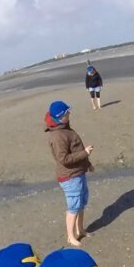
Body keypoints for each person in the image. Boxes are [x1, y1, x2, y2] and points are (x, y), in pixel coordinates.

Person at [44, 100, 94, 248]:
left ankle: (81, 229)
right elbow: (64, 159)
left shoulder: (65, 127)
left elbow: (75, 150)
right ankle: (70, 236)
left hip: (78, 172)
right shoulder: (58, 135)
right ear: (60, 117)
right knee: (73, 206)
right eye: (67, 113)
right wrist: (85, 153)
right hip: (69, 176)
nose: (69, 114)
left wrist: (88, 164)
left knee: (81, 202)